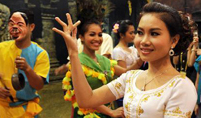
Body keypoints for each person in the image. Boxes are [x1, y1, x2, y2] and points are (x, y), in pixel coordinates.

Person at [53, 2, 197, 118]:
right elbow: (86, 100)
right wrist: (73, 52)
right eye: (140, 33)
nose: (144, 41)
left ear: (174, 40)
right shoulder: (131, 78)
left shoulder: (180, 87)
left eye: (154, 33)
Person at [0, 9, 50, 118]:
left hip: (25, 111)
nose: (14, 27)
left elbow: (39, 85)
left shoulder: (40, 54)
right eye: (11, 24)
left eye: (20, 24)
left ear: (31, 27)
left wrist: (27, 69)